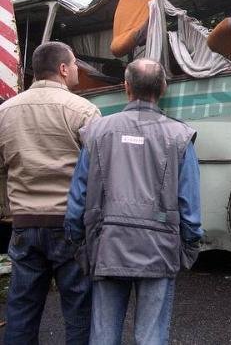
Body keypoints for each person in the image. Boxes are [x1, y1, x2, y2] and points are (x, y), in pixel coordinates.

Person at [64, 58, 203, 345]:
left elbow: (77, 201)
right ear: (163, 88)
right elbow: (190, 207)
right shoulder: (180, 136)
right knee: (151, 337)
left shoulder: (97, 132)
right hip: (159, 249)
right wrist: (187, 250)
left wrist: (82, 247)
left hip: (107, 245)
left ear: (126, 88)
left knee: (103, 336)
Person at [0, 41, 101, 344]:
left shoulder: (5, 111)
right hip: (70, 224)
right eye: (74, 64)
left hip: (24, 223)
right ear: (62, 68)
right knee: (79, 308)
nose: (77, 70)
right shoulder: (83, 110)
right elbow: (100, 169)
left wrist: (8, 212)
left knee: (22, 307)